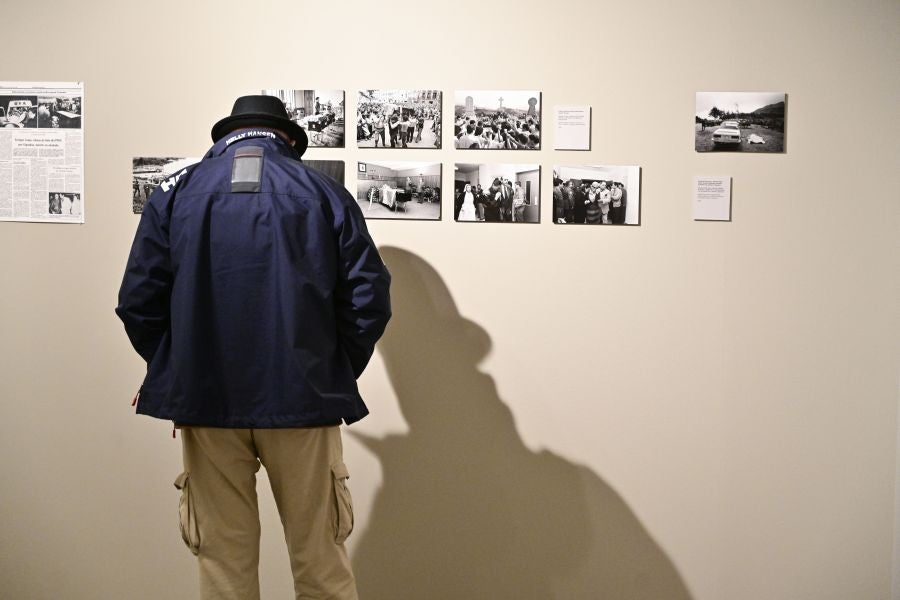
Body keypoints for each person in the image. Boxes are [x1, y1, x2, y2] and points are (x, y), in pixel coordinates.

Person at [115, 95, 391, 600]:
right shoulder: (323, 192)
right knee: (321, 563)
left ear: (225, 137)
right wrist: (329, 370)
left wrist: (175, 367)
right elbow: (369, 300)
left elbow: (138, 300)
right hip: (303, 402)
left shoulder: (175, 193)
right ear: (287, 137)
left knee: (224, 564)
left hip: (205, 402)